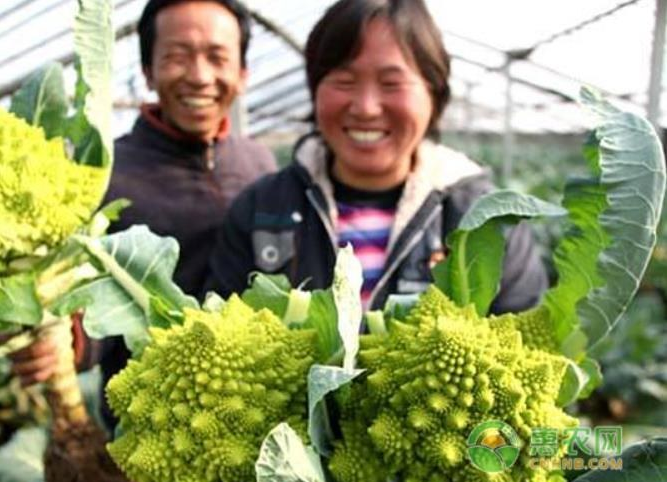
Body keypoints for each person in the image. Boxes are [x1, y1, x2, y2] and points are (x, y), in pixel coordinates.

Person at [9, 0, 277, 433]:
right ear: (149, 72)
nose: (199, 76)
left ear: (243, 74)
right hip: (151, 424)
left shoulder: (260, 164)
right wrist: (60, 340)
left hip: (256, 416)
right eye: (176, 56)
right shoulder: (104, 175)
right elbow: (88, 302)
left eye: (217, 57)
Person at [205, 0, 546, 312]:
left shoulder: (483, 223)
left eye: (391, 83)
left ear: (434, 93)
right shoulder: (260, 210)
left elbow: (530, 353)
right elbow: (222, 328)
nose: (366, 108)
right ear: (315, 89)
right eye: (345, 81)